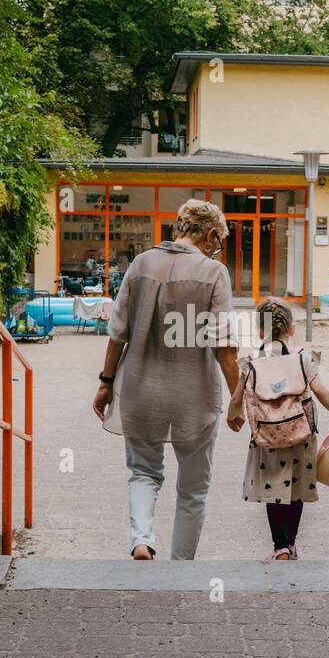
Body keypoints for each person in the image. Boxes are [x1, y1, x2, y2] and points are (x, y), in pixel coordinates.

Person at [92, 199, 240, 560]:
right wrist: (240, 401)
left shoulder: (141, 264)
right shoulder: (213, 272)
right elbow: (224, 347)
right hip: (195, 396)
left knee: (143, 472)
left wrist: (105, 382)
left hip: (140, 391)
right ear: (208, 235)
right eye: (218, 241)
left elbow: (117, 333)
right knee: (193, 490)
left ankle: (142, 540)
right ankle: (181, 565)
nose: (217, 248)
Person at [226, 296, 329, 561]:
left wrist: (231, 416)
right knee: (297, 490)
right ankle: (291, 544)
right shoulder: (303, 358)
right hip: (300, 435)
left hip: (267, 438)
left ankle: (279, 546)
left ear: (260, 331)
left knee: (273, 490)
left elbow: (237, 398)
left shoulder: (251, 364)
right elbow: (320, 391)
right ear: (291, 329)